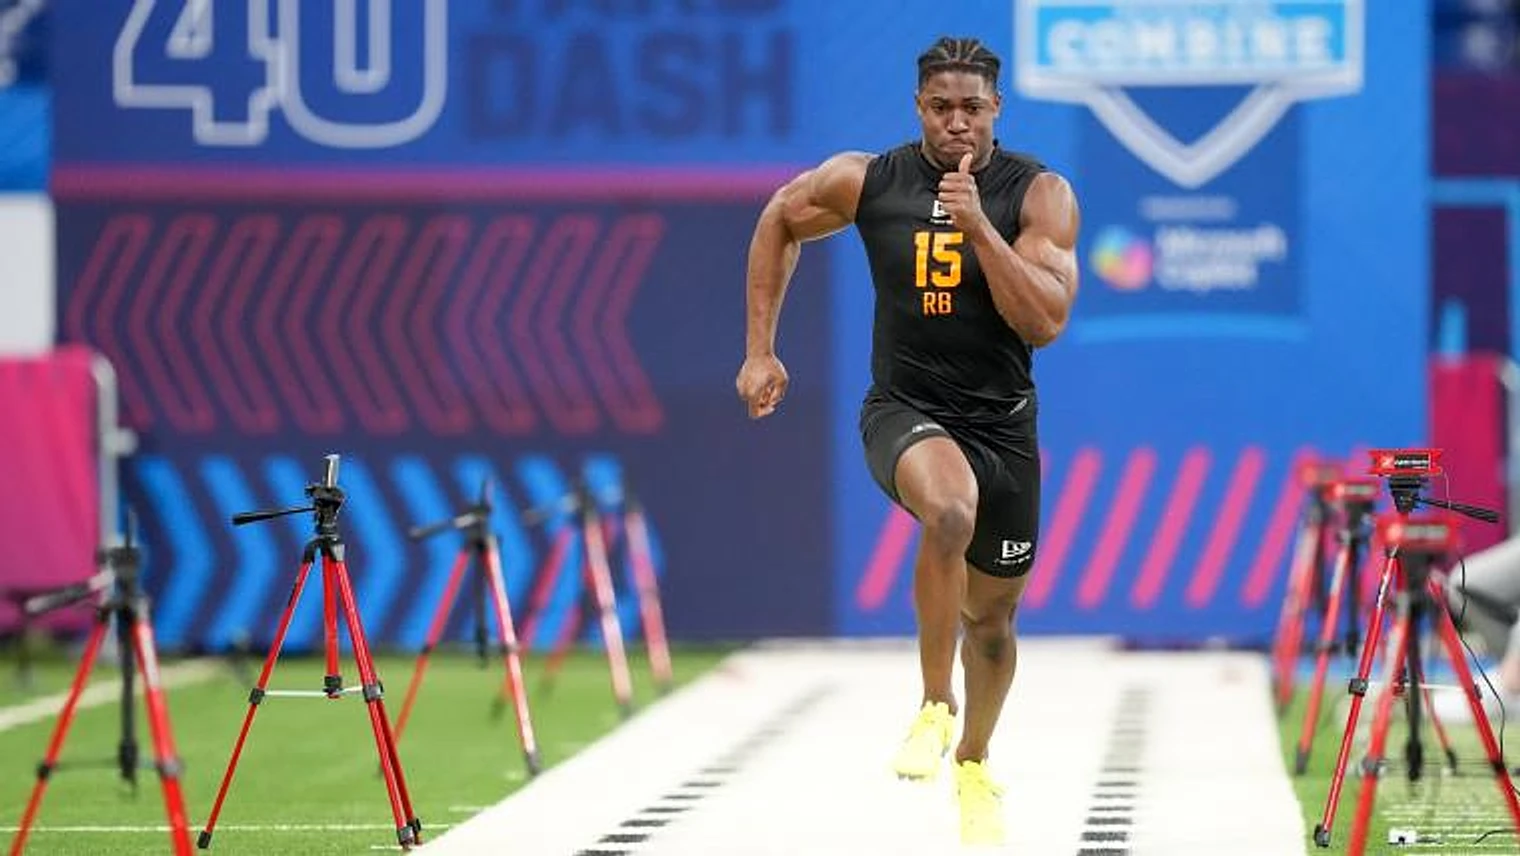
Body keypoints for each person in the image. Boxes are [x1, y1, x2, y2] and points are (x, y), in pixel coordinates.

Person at [734, 35, 1080, 846]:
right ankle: (933, 703)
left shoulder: (1039, 194)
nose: (957, 122)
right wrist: (759, 350)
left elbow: (1045, 321)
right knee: (950, 511)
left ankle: (973, 763)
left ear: (997, 109)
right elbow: (780, 218)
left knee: (991, 623)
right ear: (918, 108)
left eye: (972, 108)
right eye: (941, 107)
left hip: (1003, 425)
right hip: (905, 409)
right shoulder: (869, 179)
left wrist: (979, 228)